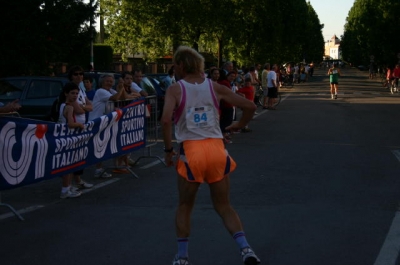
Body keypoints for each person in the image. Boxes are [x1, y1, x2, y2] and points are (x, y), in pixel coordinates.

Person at [161, 45, 260, 265]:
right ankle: (246, 250)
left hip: (191, 151)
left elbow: (166, 120)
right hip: (216, 149)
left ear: (181, 65)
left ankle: (183, 257)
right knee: (224, 206)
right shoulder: (215, 87)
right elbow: (250, 106)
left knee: (185, 206)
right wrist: (238, 125)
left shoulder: (176, 89)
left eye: (174, 66)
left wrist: (168, 150)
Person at [67, 66, 94, 189]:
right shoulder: (70, 89)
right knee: (71, 156)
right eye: (76, 74)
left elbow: (90, 105)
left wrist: (83, 106)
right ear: (71, 76)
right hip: (73, 126)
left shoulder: (81, 89)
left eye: (81, 74)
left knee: (79, 155)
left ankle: (77, 180)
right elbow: (77, 110)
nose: (79, 76)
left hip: (81, 125)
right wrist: (83, 107)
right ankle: (68, 184)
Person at [58, 82, 85, 199]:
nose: (75, 96)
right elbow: (70, 123)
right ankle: (65, 189)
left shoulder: (63, 105)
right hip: (67, 137)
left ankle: (68, 187)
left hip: (65, 137)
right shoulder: (69, 107)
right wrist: (79, 124)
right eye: (72, 93)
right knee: (68, 165)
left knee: (69, 164)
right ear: (66, 93)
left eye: (77, 93)